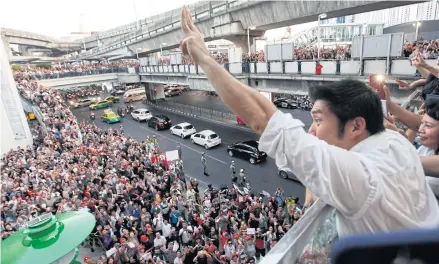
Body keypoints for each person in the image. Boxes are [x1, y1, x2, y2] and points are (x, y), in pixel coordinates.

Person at [180, 8, 439, 236]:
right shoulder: (394, 142)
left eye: (318, 120)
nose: (311, 129)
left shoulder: (358, 175)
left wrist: (204, 57)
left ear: (357, 126)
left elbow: (261, 118)